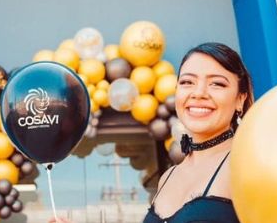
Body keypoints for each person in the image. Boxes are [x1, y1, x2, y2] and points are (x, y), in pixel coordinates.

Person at [50, 42, 254, 223]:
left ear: (240, 99)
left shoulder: (246, 164)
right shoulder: (168, 176)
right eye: (187, 82)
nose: (198, 93)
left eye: (217, 83)